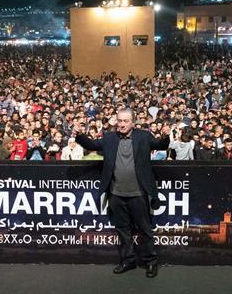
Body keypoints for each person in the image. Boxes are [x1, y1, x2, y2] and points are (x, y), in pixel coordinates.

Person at [73, 108, 170, 278]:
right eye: (119, 121)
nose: (122, 124)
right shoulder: (109, 137)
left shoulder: (144, 136)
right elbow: (92, 145)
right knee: (123, 230)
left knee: (144, 230)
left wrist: (166, 136)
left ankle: (151, 262)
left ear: (133, 122)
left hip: (139, 193)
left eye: (125, 121)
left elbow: (160, 145)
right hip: (116, 194)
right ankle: (128, 260)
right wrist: (80, 135)